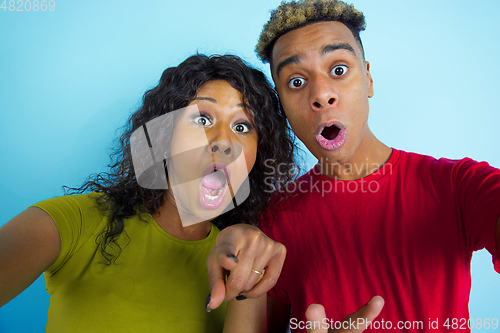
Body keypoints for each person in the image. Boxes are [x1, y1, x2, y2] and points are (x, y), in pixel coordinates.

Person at [224, 0, 500, 332]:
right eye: (296, 81)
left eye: (338, 69)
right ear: (282, 106)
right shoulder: (271, 225)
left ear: (367, 79)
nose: (322, 94)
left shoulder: (459, 185)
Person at [0, 54, 296, 332]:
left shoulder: (253, 265)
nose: (224, 141)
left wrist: (248, 275)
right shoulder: (75, 222)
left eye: (242, 126)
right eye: (203, 119)